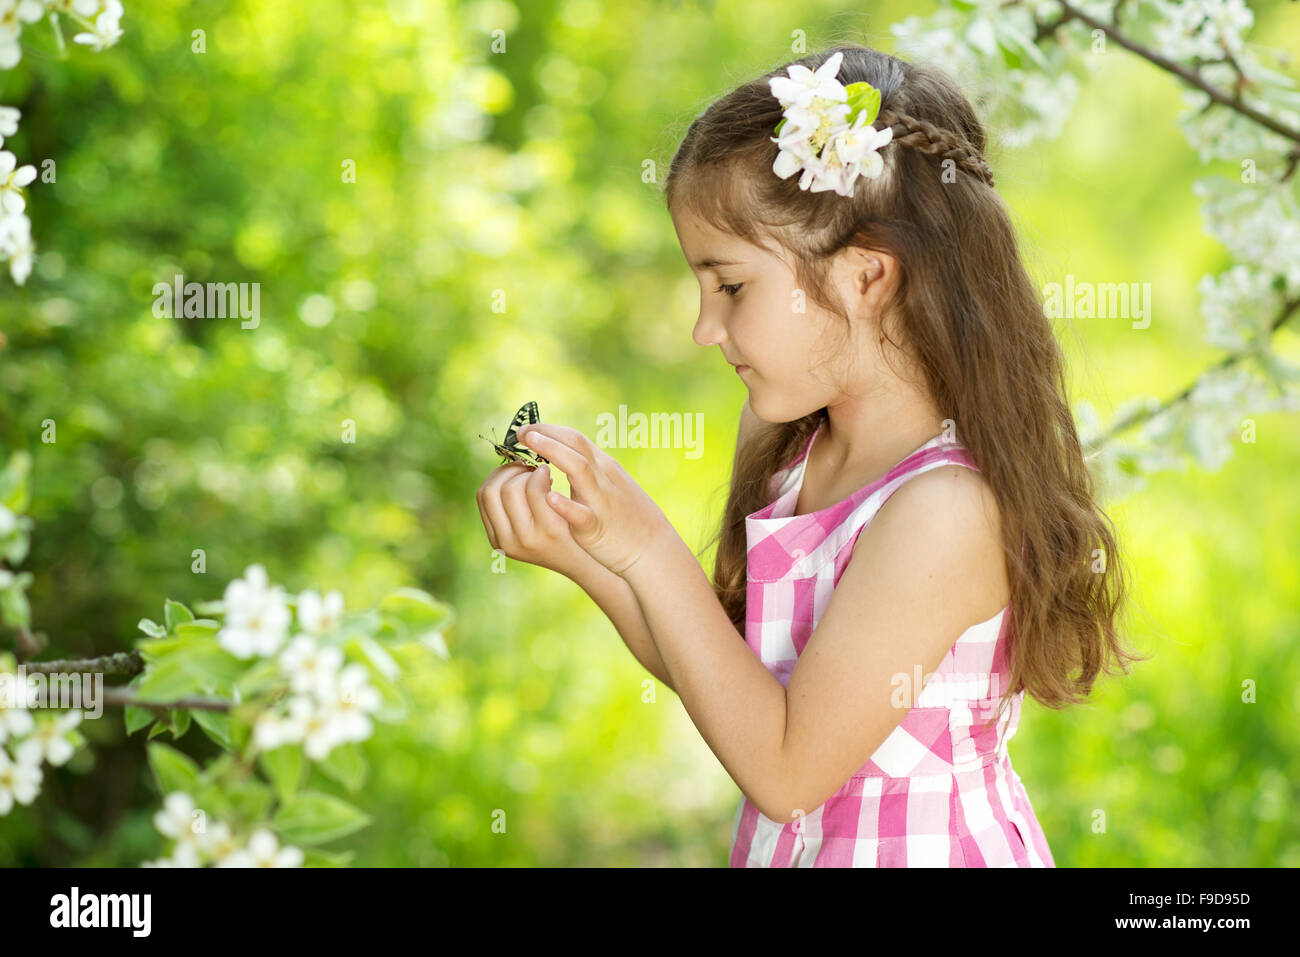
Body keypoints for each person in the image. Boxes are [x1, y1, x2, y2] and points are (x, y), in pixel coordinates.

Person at [476, 44, 1143, 867]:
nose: (702, 328)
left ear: (866, 277)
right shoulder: (797, 445)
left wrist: (650, 547)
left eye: (730, 285)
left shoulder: (943, 511)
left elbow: (787, 771)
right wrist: (589, 556)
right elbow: (730, 675)